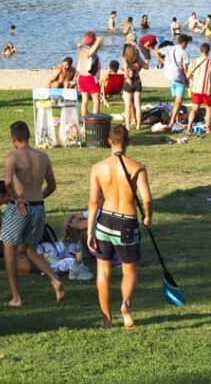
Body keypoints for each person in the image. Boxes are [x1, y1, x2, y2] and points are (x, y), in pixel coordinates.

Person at [88, 125, 152, 329]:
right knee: (129, 270)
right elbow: (147, 199)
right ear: (128, 142)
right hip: (126, 220)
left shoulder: (98, 168)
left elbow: (93, 202)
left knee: (103, 272)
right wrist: (148, 217)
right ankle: (125, 305)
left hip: (105, 219)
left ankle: (106, 319)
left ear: (109, 140)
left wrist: (90, 230)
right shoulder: (137, 167)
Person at [0, 121, 65, 307]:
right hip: (37, 206)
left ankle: (16, 297)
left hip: (18, 206)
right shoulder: (43, 157)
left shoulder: (13, 157)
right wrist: (39, 197)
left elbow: (7, 182)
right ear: (28, 136)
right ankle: (55, 280)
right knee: (31, 250)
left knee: (9, 249)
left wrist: (16, 198)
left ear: (13, 138)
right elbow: (52, 185)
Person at [154, 34, 190, 130]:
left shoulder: (169, 48)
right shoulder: (184, 53)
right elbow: (186, 71)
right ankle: (172, 121)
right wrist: (188, 81)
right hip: (178, 77)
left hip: (169, 75)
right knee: (178, 102)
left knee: (176, 101)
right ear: (185, 43)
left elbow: (156, 52)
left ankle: (176, 119)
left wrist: (163, 61)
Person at [186, 42, 211, 134]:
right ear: (209, 52)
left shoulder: (194, 61)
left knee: (194, 108)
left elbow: (188, 75)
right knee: (208, 108)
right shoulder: (210, 63)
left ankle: (188, 127)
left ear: (200, 51)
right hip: (205, 89)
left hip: (195, 88)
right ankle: (207, 128)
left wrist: (193, 80)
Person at [76, 32, 104, 117]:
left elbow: (94, 48)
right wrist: (99, 40)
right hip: (89, 78)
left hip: (81, 77)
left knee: (84, 101)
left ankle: (85, 122)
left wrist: (95, 42)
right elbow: (92, 50)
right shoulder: (89, 51)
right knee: (96, 100)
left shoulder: (80, 49)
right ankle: (95, 120)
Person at [121, 44, 144, 130]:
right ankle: (138, 125)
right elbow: (146, 66)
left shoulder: (125, 59)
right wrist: (138, 68)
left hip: (129, 81)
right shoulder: (137, 59)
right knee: (138, 105)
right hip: (137, 80)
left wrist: (127, 77)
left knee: (127, 105)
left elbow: (125, 67)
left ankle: (127, 125)